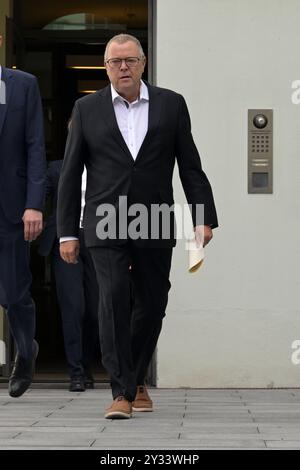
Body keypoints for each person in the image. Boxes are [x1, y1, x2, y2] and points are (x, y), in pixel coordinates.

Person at [57, 34, 218, 419]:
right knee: (111, 301)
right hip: (104, 219)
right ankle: (122, 392)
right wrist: (67, 231)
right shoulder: (86, 108)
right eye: (115, 62)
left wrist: (203, 216)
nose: (123, 68)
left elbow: (190, 166)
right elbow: (70, 172)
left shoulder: (171, 104)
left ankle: (135, 377)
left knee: (153, 303)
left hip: (155, 218)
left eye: (130, 60)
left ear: (143, 63)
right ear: (106, 67)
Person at [0, 34, 46, 397]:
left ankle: (26, 348)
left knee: (14, 292)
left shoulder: (22, 85)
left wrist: (34, 203)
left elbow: (34, 147)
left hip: (11, 206)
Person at [38, 159, 99, 391]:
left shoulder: (105, 163)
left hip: (98, 240)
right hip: (64, 238)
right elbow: (37, 194)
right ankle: (76, 372)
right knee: (73, 306)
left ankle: (85, 363)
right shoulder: (56, 168)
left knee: (95, 310)